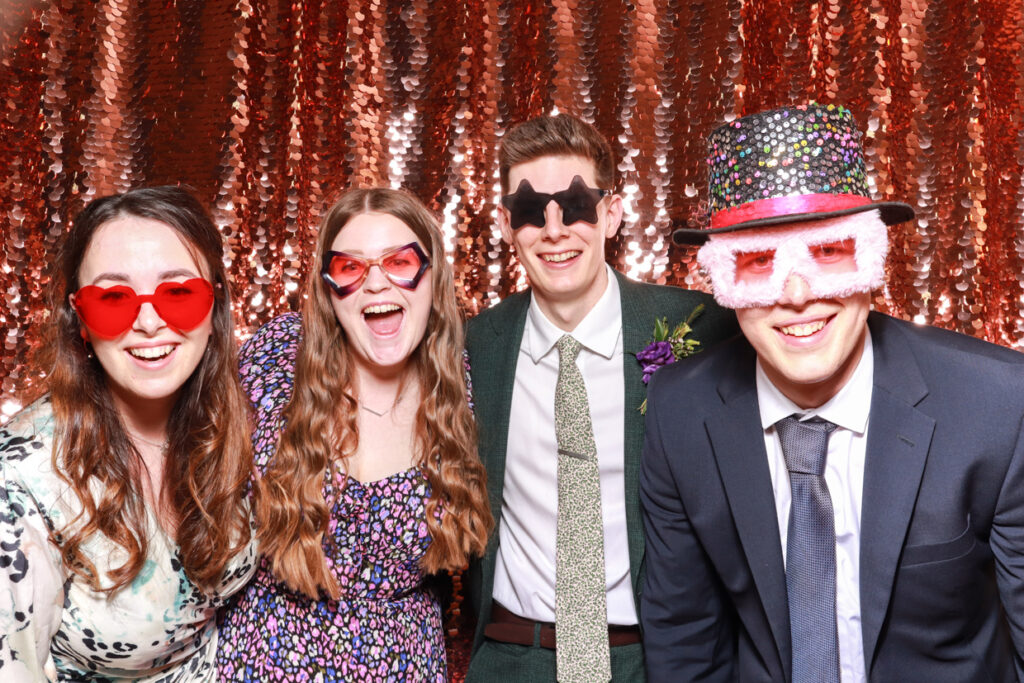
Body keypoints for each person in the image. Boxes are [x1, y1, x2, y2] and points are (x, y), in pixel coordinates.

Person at [641, 102, 1024, 681]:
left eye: (827, 251)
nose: (797, 293)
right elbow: (684, 636)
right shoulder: (680, 413)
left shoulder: (997, 404)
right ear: (722, 282)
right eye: (757, 261)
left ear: (869, 261)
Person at [463, 113, 739, 683]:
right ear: (508, 224)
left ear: (611, 214)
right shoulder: (472, 348)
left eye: (577, 205)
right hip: (513, 656)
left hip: (653, 661)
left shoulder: (701, 328)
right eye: (532, 210)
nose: (555, 230)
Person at [215, 187, 492, 681]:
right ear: (328, 290)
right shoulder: (276, 357)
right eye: (351, 268)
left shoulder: (464, 385)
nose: (377, 284)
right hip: (265, 658)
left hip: (404, 663)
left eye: (400, 262)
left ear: (433, 277)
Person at [0, 186, 257, 681]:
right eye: (113, 298)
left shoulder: (233, 418)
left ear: (215, 304)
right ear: (80, 320)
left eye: (178, 293)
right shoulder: (21, 482)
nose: (148, 322)